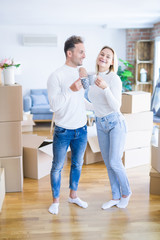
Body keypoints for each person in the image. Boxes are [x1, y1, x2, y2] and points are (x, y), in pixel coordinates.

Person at [80, 46, 132, 209]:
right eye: (102, 54)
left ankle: (126, 193)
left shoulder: (113, 79)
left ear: (111, 62)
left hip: (115, 122)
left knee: (115, 161)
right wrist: (82, 78)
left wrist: (106, 88)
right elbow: (91, 103)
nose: (103, 57)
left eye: (108, 56)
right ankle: (115, 196)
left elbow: (116, 106)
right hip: (100, 123)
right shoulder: (92, 77)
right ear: (98, 57)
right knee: (108, 164)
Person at [47, 36, 88, 215]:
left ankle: (73, 195)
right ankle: (55, 201)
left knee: (77, 164)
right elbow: (54, 106)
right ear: (69, 53)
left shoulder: (81, 73)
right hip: (63, 129)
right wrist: (70, 90)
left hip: (81, 128)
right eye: (81, 51)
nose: (84, 55)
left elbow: (84, 100)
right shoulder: (56, 76)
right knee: (57, 166)